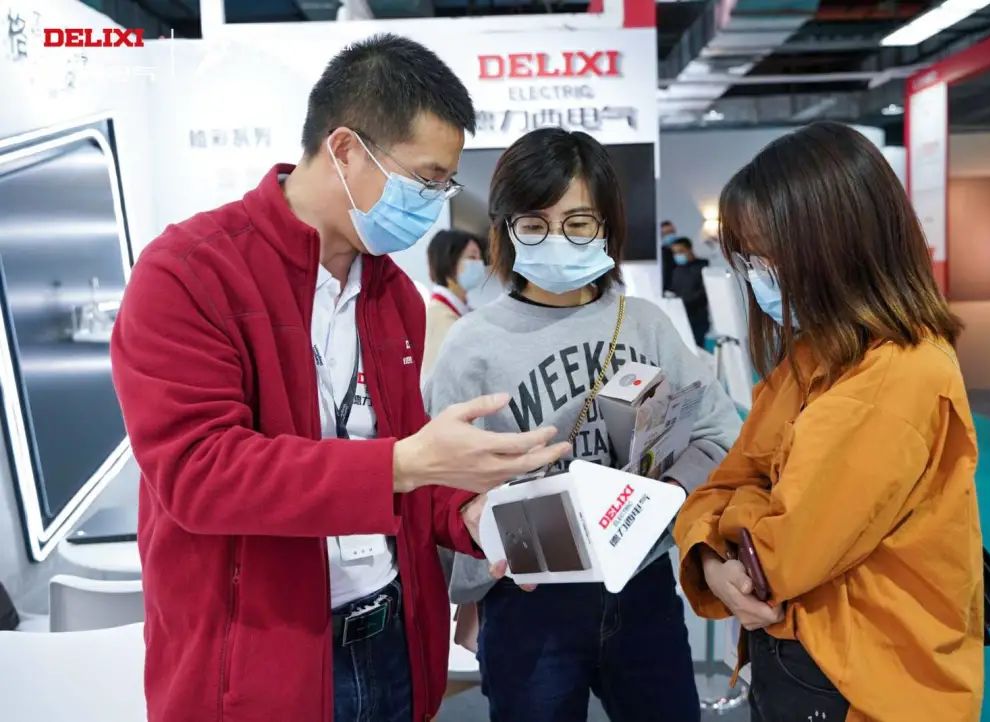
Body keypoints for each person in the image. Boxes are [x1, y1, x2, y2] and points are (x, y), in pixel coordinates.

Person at [110, 35, 568, 722]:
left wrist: (467, 513)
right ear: (347, 149)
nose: (434, 203)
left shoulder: (393, 296)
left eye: (445, 185)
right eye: (425, 179)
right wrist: (406, 463)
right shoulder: (188, 273)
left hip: (391, 640)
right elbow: (199, 473)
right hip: (263, 658)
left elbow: (403, 471)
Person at [425, 128, 743, 722]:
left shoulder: (645, 324)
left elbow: (717, 432)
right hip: (529, 600)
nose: (557, 240)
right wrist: (470, 589)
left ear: (607, 226)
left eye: (577, 223)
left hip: (642, 586)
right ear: (505, 229)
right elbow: (445, 487)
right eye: (534, 224)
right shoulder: (471, 346)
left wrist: (663, 494)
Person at [674, 122, 984, 722]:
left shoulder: (894, 378)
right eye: (747, 260)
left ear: (836, 245)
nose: (756, 276)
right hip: (811, 659)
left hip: (860, 682)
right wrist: (715, 553)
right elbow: (727, 481)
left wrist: (730, 523)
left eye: (766, 256)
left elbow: (776, 558)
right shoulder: (817, 354)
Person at [422, 229, 487, 377]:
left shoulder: (463, 312)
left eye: (480, 258)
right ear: (448, 262)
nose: (480, 264)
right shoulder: (439, 317)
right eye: (472, 257)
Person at [668, 236, 711, 348]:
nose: (678, 255)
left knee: (697, 350)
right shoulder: (677, 270)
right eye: (675, 252)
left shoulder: (703, 266)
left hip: (698, 320)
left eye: (680, 251)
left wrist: (684, 302)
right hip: (680, 319)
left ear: (689, 249)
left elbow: (704, 293)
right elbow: (674, 290)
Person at [660, 219, 678, 292]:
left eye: (672, 232)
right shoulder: (661, 254)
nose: (670, 235)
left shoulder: (682, 252)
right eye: (667, 233)